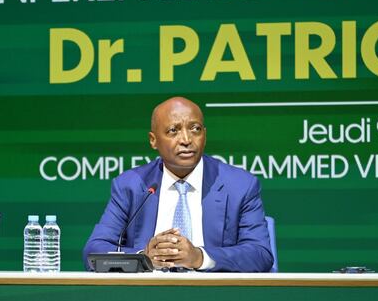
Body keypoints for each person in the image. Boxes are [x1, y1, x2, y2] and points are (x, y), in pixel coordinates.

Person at [83, 96, 273, 272]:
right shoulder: (131, 186)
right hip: (146, 293)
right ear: (153, 140)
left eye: (195, 129)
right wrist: (143, 258)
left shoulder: (240, 186)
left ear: (205, 135)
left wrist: (199, 257)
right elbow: (94, 252)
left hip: (216, 293)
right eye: (173, 131)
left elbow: (260, 254)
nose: (186, 140)